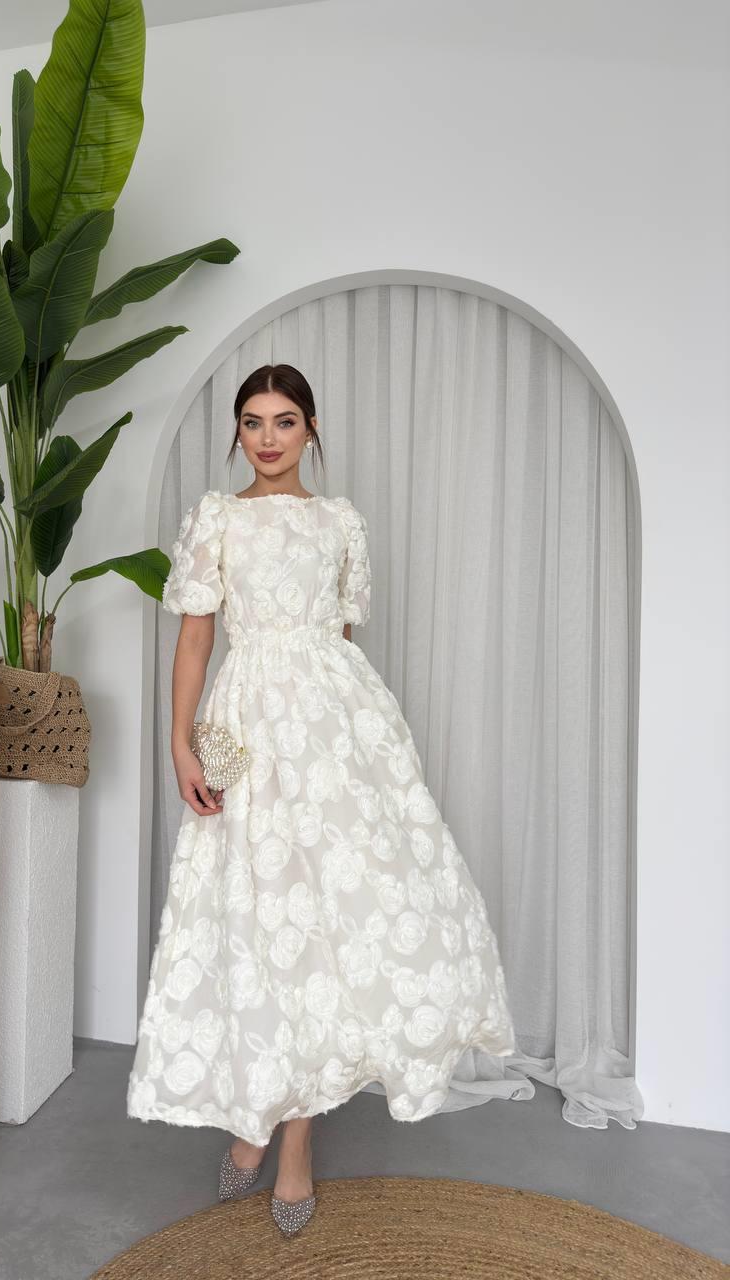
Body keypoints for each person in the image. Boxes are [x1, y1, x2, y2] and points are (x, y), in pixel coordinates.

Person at [127, 364, 516, 1237]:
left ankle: (291, 1139)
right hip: (245, 725)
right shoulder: (217, 517)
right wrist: (182, 743)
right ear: (237, 433)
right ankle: (253, 1118)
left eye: (285, 421)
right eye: (252, 421)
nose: (267, 438)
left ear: (311, 430)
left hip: (338, 732)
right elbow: (195, 641)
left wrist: (340, 737)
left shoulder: (341, 522)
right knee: (260, 918)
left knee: (333, 923)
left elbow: (338, 637)